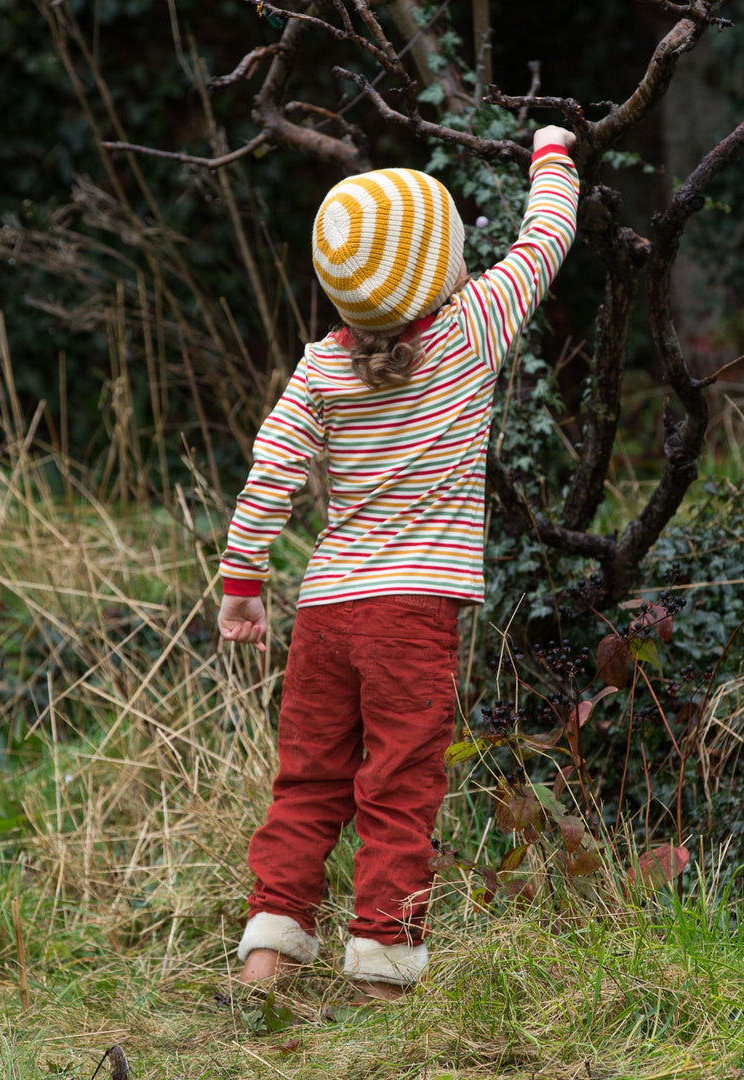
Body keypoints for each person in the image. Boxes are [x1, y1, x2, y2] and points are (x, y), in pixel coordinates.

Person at [217, 124, 579, 999]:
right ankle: (382, 970)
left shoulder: (320, 370)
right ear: (442, 264)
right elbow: (544, 243)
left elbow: (271, 471)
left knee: (305, 780)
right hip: (413, 616)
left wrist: (243, 582)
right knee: (398, 790)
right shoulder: (474, 330)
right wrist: (553, 155)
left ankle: (265, 959)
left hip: (327, 611)